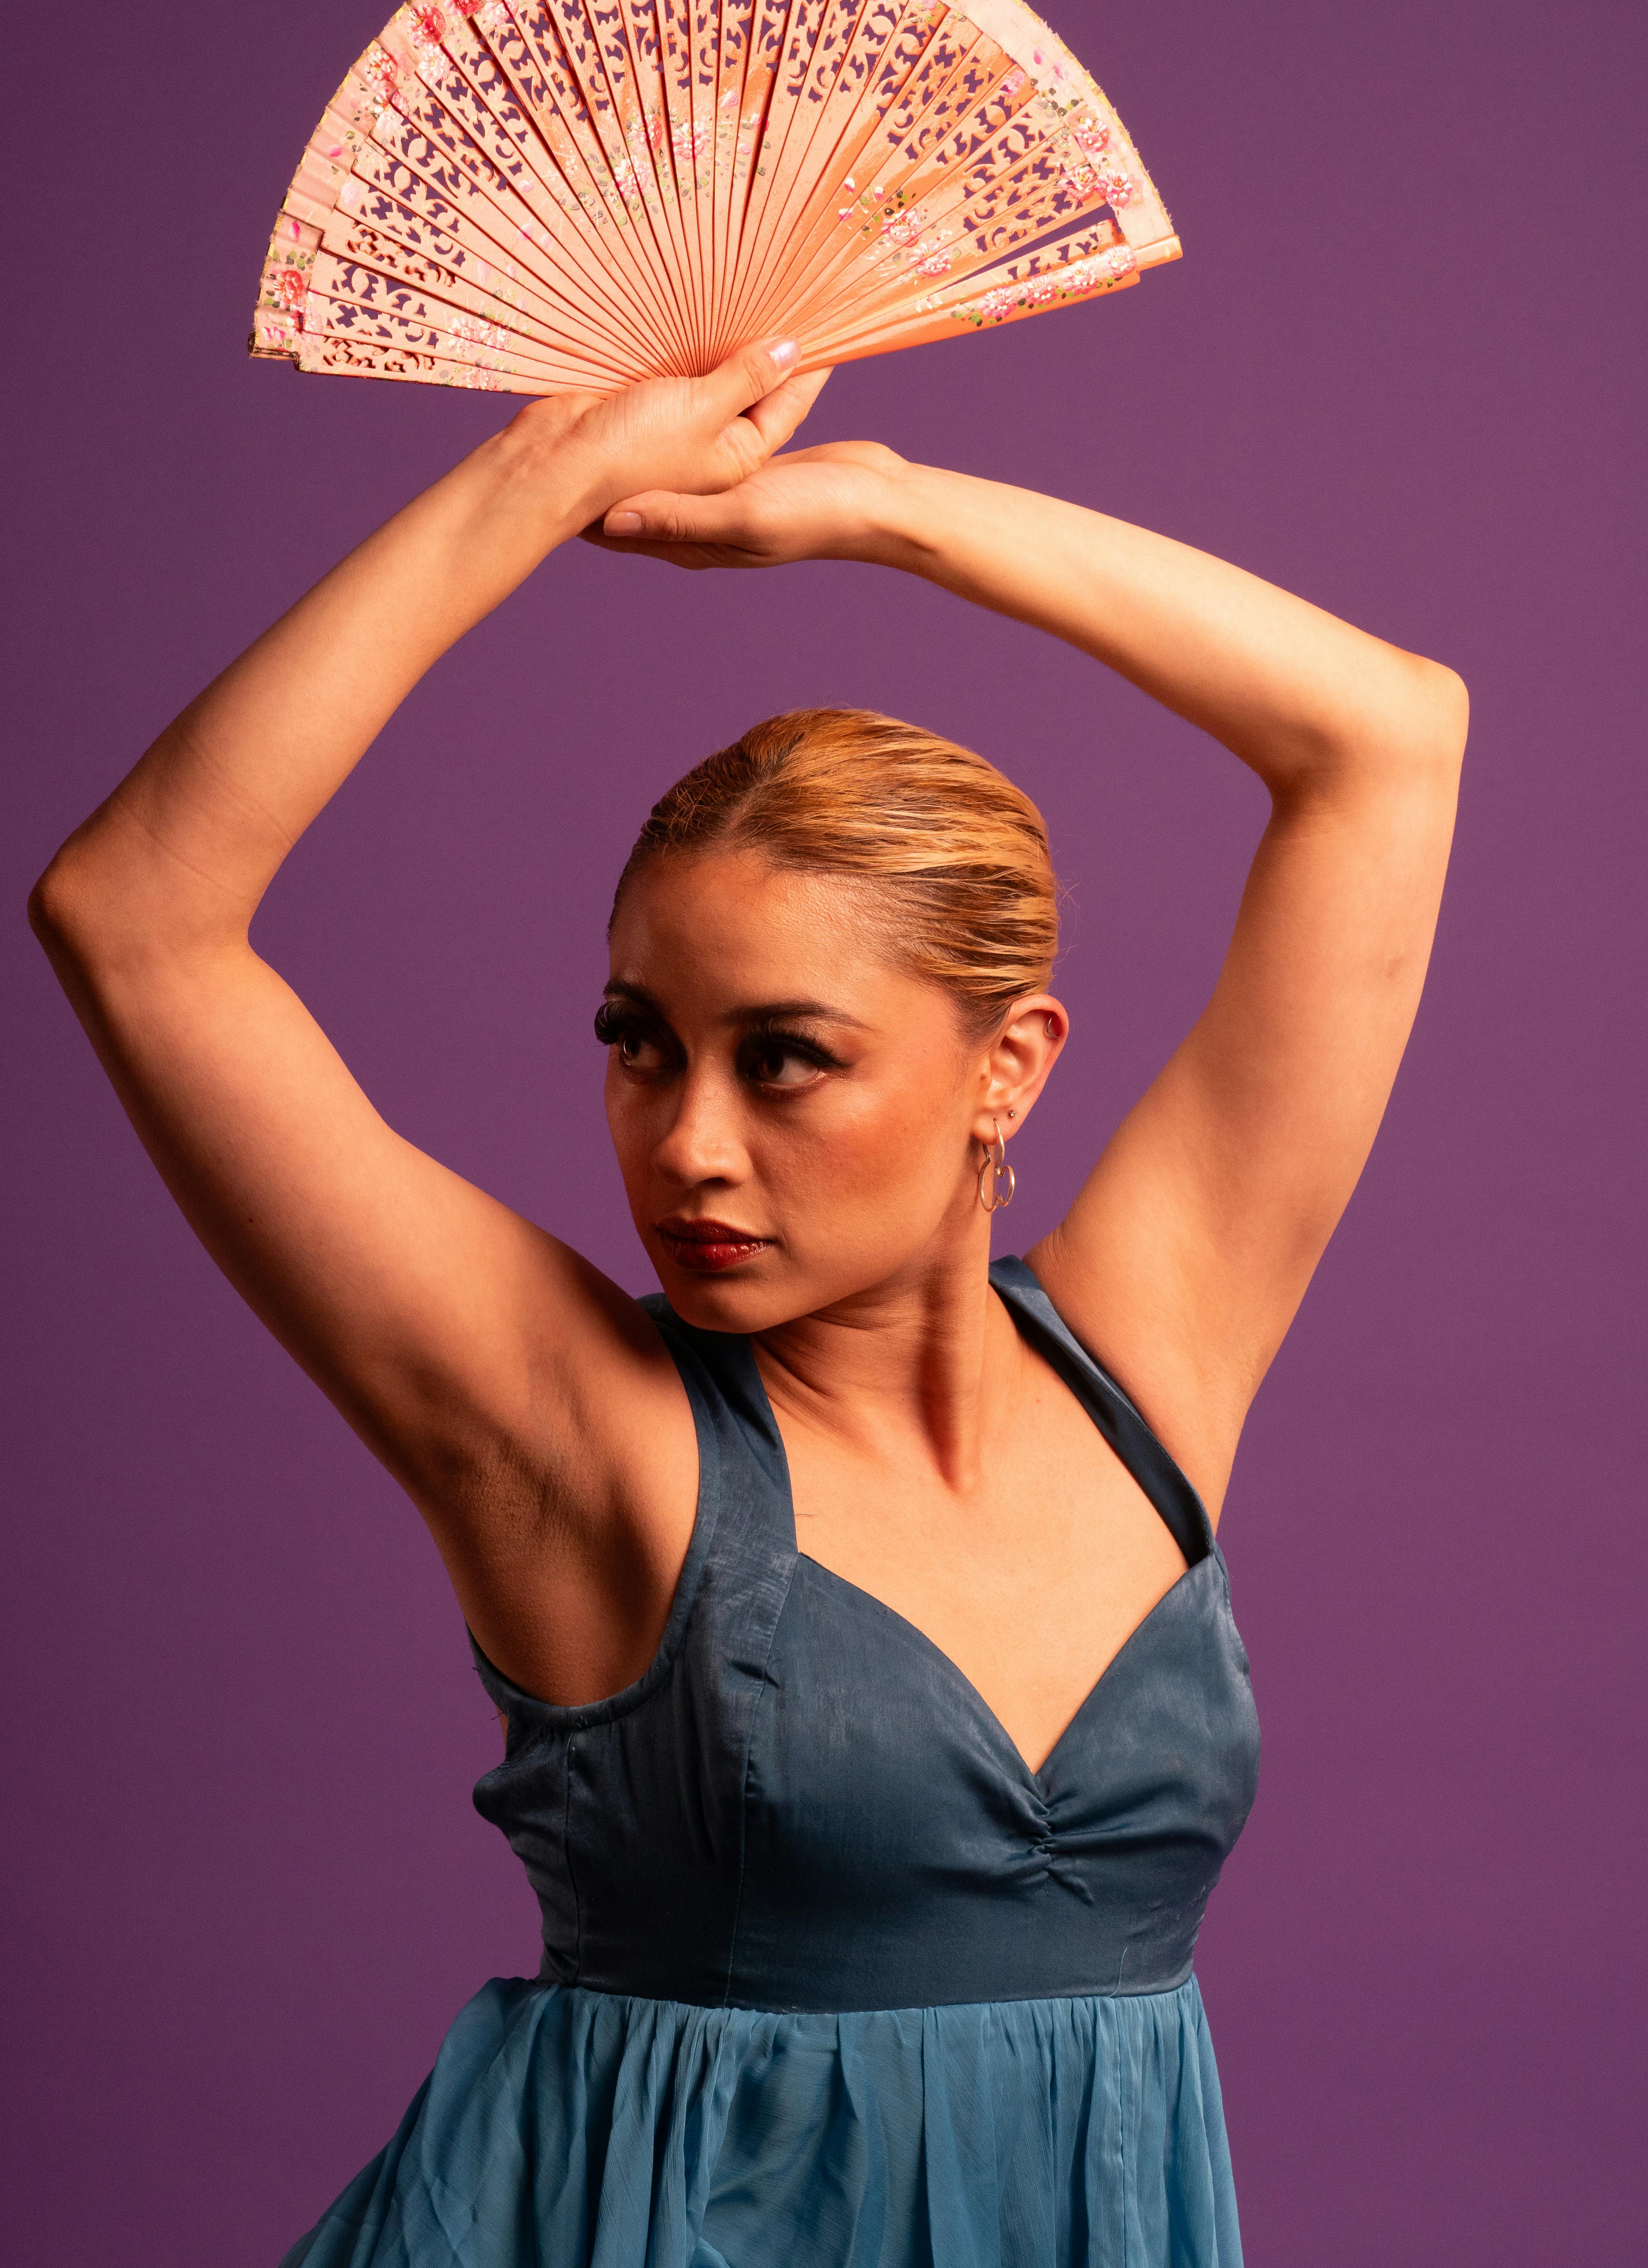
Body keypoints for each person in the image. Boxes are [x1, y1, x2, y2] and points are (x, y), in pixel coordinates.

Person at [30, 337, 1467, 2267]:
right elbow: (132, 919)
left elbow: (1386, 734)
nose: (686, 1145)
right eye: (640, 1046)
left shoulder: (1146, 1355)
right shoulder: (577, 1436)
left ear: (1006, 1066)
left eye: (782, 1058)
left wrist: (878, 509)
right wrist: (542, 479)